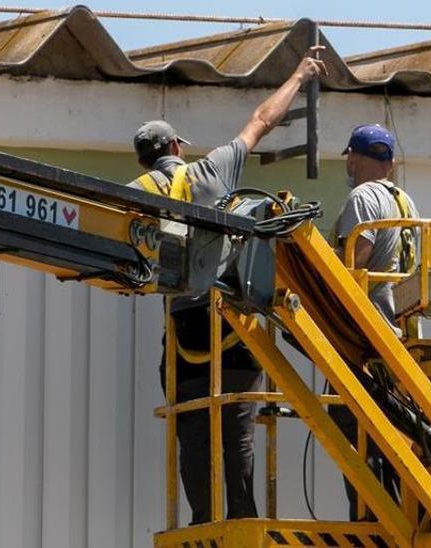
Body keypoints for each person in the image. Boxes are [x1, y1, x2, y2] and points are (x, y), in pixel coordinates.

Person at [128, 48, 327, 525]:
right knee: (236, 427)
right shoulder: (210, 172)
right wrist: (299, 75)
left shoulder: (133, 194)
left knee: (193, 427)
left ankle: (203, 523)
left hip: (183, 333)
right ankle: (241, 519)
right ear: (176, 148)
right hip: (231, 324)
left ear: (144, 158)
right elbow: (261, 120)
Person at [330, 123, 419, 519]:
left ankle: (371, 517)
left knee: (351, 424)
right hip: (397, 338)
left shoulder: (363, 198)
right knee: (393, 431)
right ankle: (399, 513)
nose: (348, 162)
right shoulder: (405, 203)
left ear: (359, 157)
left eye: (351, 155)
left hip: (363, 338)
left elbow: (356, 260)